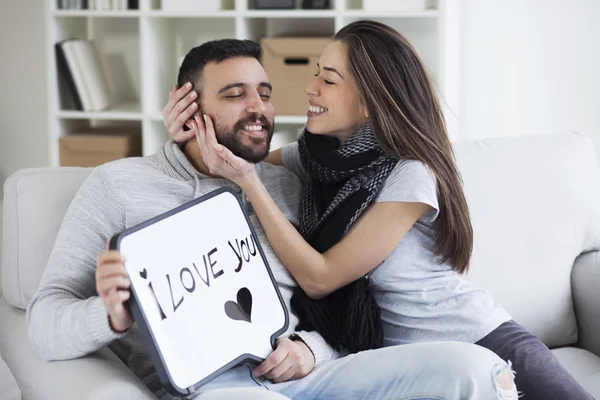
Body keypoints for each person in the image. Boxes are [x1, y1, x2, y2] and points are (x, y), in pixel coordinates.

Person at [27, 38, 516, 400]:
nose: (258, 108)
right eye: (235, 94)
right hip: (217, 388)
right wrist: (111, 316)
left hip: (308, 377)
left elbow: (331, 309)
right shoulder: (118, 185)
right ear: (187, 104)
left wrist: (311, 349)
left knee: (474, 368)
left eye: (264, 92)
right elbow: (43, 323)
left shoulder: (284, 186)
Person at [164, 22, 592, 400]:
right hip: (410, 366)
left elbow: (321, 276)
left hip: (483, 342)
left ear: (369, 102)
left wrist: (251, 184)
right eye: (315, 74)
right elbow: (225, 160)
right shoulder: (311, 158)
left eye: (328, 81)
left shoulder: (410, 174)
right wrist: (185, 131)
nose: (309, 89)